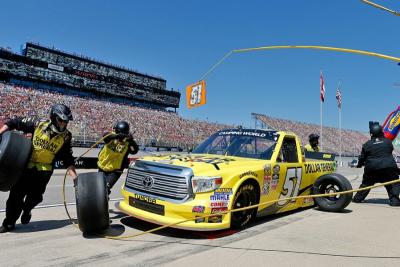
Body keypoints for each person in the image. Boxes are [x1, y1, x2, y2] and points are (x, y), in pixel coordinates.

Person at [0, 104, 77, 233]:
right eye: (61, 120)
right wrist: (1, 132)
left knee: (35, 198)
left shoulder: (66, 136)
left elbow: (68, 158)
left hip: (44, 172)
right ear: (53, 117)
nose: (63, 124)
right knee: (16, 196)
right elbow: (14, 122)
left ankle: (27, 209)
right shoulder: (38, 124)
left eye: (66, 121)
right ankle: (9, 223)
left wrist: (75, 178)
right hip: (26, 168)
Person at [353, 122, 400, 206]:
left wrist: (359, 165)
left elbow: (362, 158)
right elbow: (389, 150)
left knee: (365, 185)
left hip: (372, 170)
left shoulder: (367, 145)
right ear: (381, 132)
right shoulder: (388, 142)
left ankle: (357, 199)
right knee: (394, 184)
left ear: (371, 133)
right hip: (388, 169)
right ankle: (395, 200)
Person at [97, 121, 139, 195]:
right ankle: (103, 200)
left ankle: (103, 200)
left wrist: (131, 141)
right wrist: (117, 136)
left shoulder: (127, 143)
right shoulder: (111, 136)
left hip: (115, 171)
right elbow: (105, 136)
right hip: (102, 167)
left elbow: (134, 151)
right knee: (98, 187)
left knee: (105, 188)